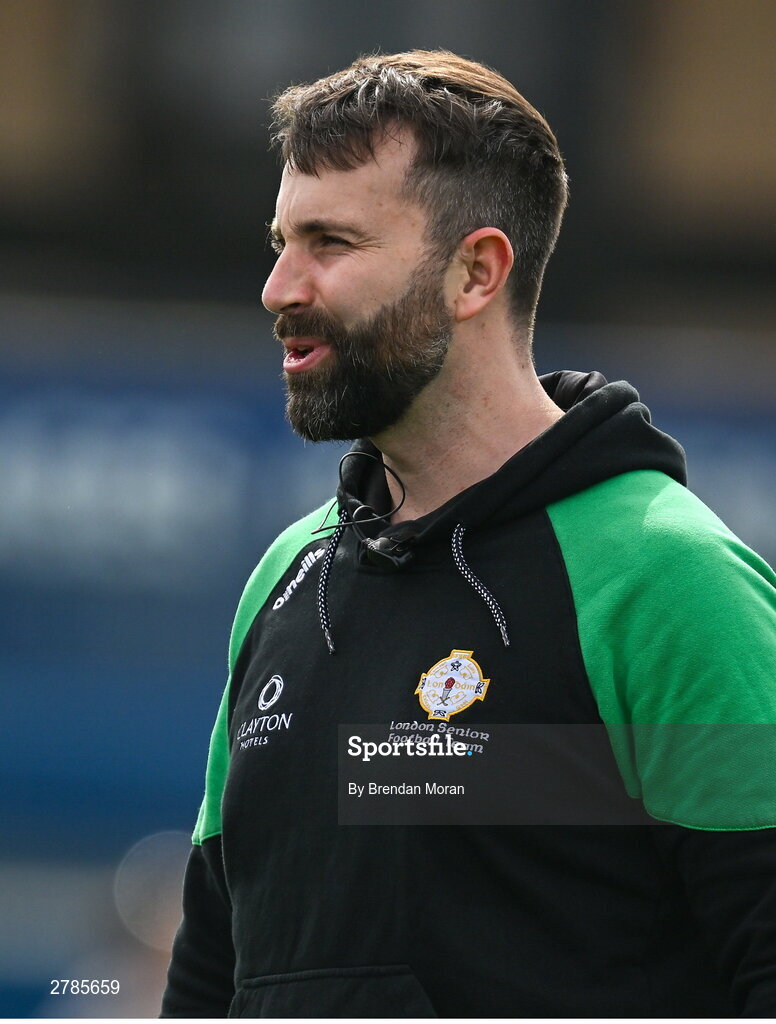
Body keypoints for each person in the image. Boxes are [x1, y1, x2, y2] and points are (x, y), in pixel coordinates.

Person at [161, 50, 776, 1017]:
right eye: (279, 241)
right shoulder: (286, 577)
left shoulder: (669, 578)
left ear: (476, 271)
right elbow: (208, 983)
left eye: (330, 242)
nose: (279, 287)